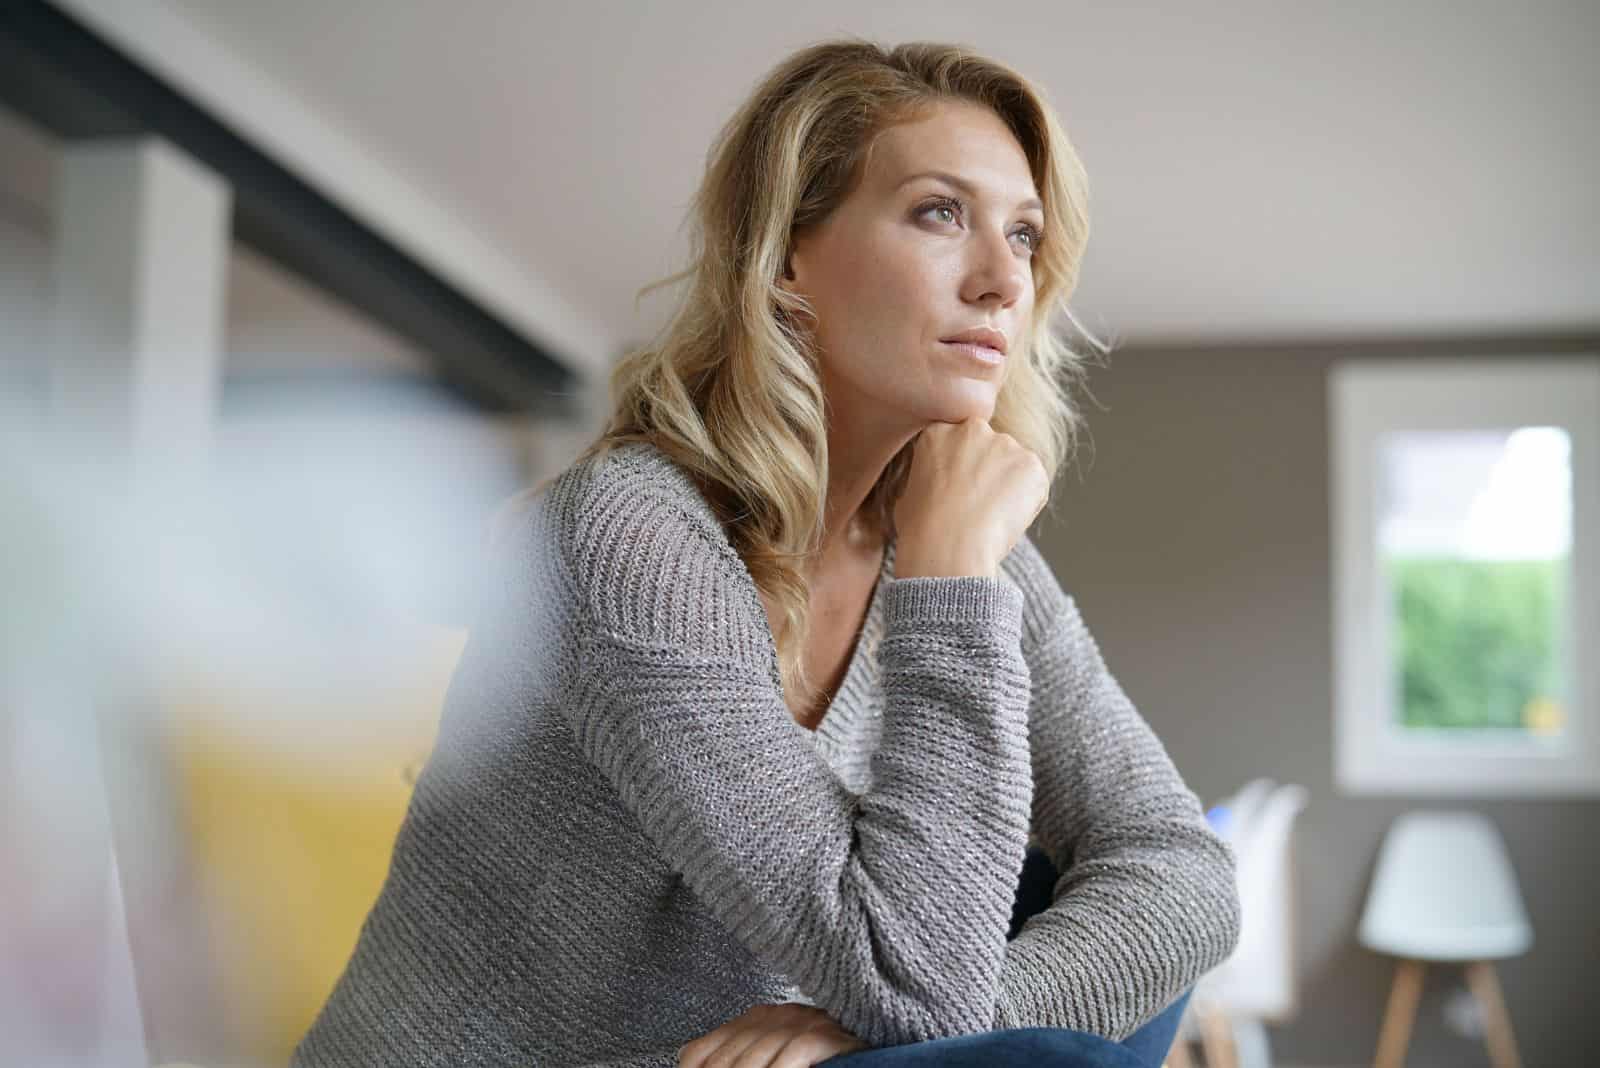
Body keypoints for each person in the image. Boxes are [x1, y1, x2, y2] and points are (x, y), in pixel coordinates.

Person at [293, 38, 1239, 1068]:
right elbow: (918, 985)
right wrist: (951, 585)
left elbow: (1181, 867)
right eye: (939, 213)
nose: (1002, 281)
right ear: (787, 253)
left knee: (1102, 955)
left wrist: (862, 1029)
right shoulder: (634, 532)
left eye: (1023, 235)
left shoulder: (967, 553)